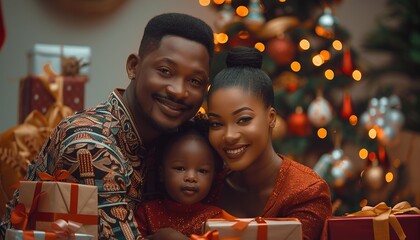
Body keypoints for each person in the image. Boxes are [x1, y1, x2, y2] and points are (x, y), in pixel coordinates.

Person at [0, 12, 214, 240]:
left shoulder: (175, 138)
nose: (178, 91)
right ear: (133, 67)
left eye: (194, 81)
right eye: (165, 71)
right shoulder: (90, 145)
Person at [205, 46, 332, 240]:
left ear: (271, 117)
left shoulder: (307, 192)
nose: (229, 136)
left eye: (243, 119)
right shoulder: (207, 186)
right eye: (216, 123)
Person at [135, 116, 231, 238]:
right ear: (161, 173)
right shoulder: (146, 212)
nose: (191, 177)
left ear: (213, 177)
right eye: (180, 168)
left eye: (202, 171)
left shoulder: (216, 218)